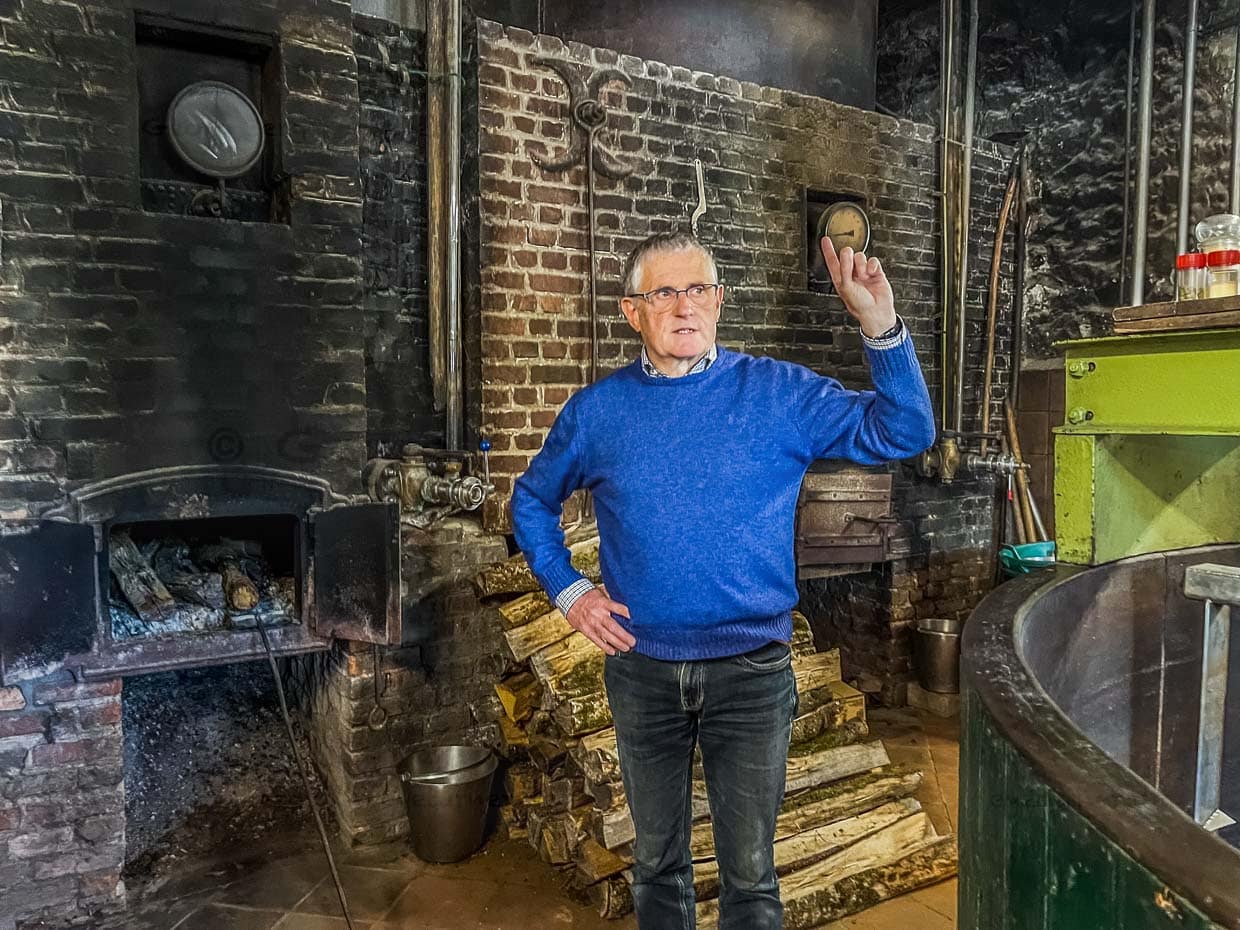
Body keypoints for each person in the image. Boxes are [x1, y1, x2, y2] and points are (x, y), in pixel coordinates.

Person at [511, 230, 935, 930]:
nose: (685, 306)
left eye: (699, 289)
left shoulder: (777, 393)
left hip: (752, 674)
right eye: (665, 292)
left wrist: (879, 325)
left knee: (750, 875)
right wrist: (570, 590)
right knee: (657, 866)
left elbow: (905, 432)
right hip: (643, 671)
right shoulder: (598, 413)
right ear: (632, 312)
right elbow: (530, 500)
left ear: (719, 302)